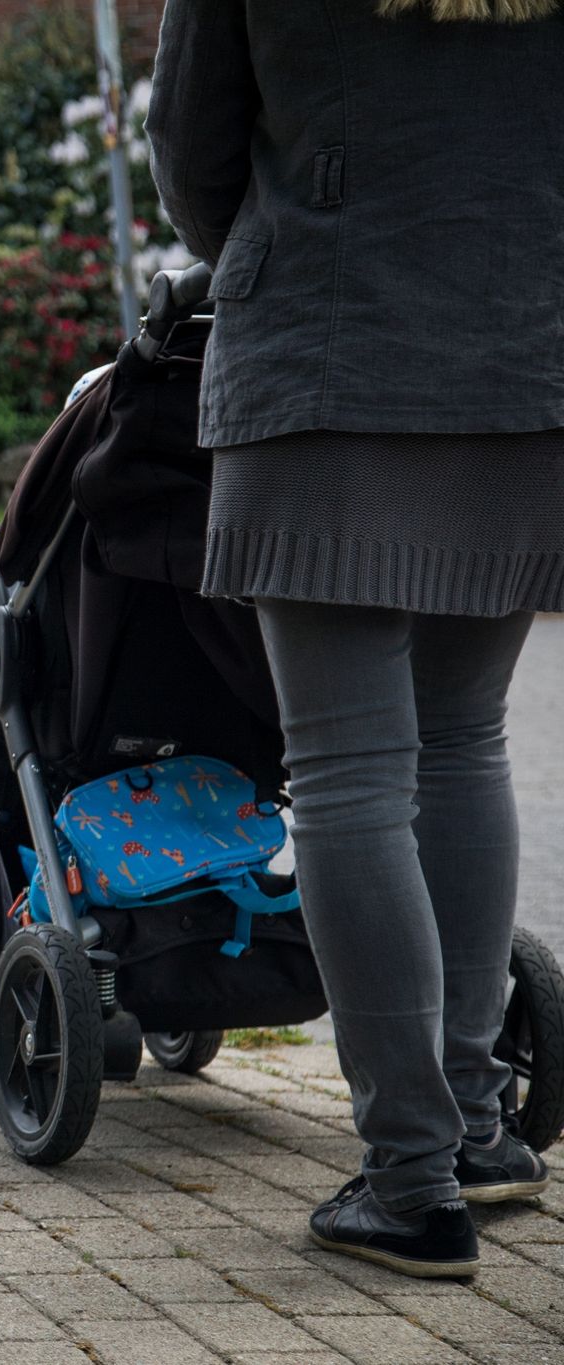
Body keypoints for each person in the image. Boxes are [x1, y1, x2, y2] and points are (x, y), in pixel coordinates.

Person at [148, 0, 564, 1278]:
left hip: (324, 359)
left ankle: (407, 1179)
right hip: (521, 357)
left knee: (346, 775)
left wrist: (288, 249)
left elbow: (189, 144)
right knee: (459, 743)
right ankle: (477, 1136)